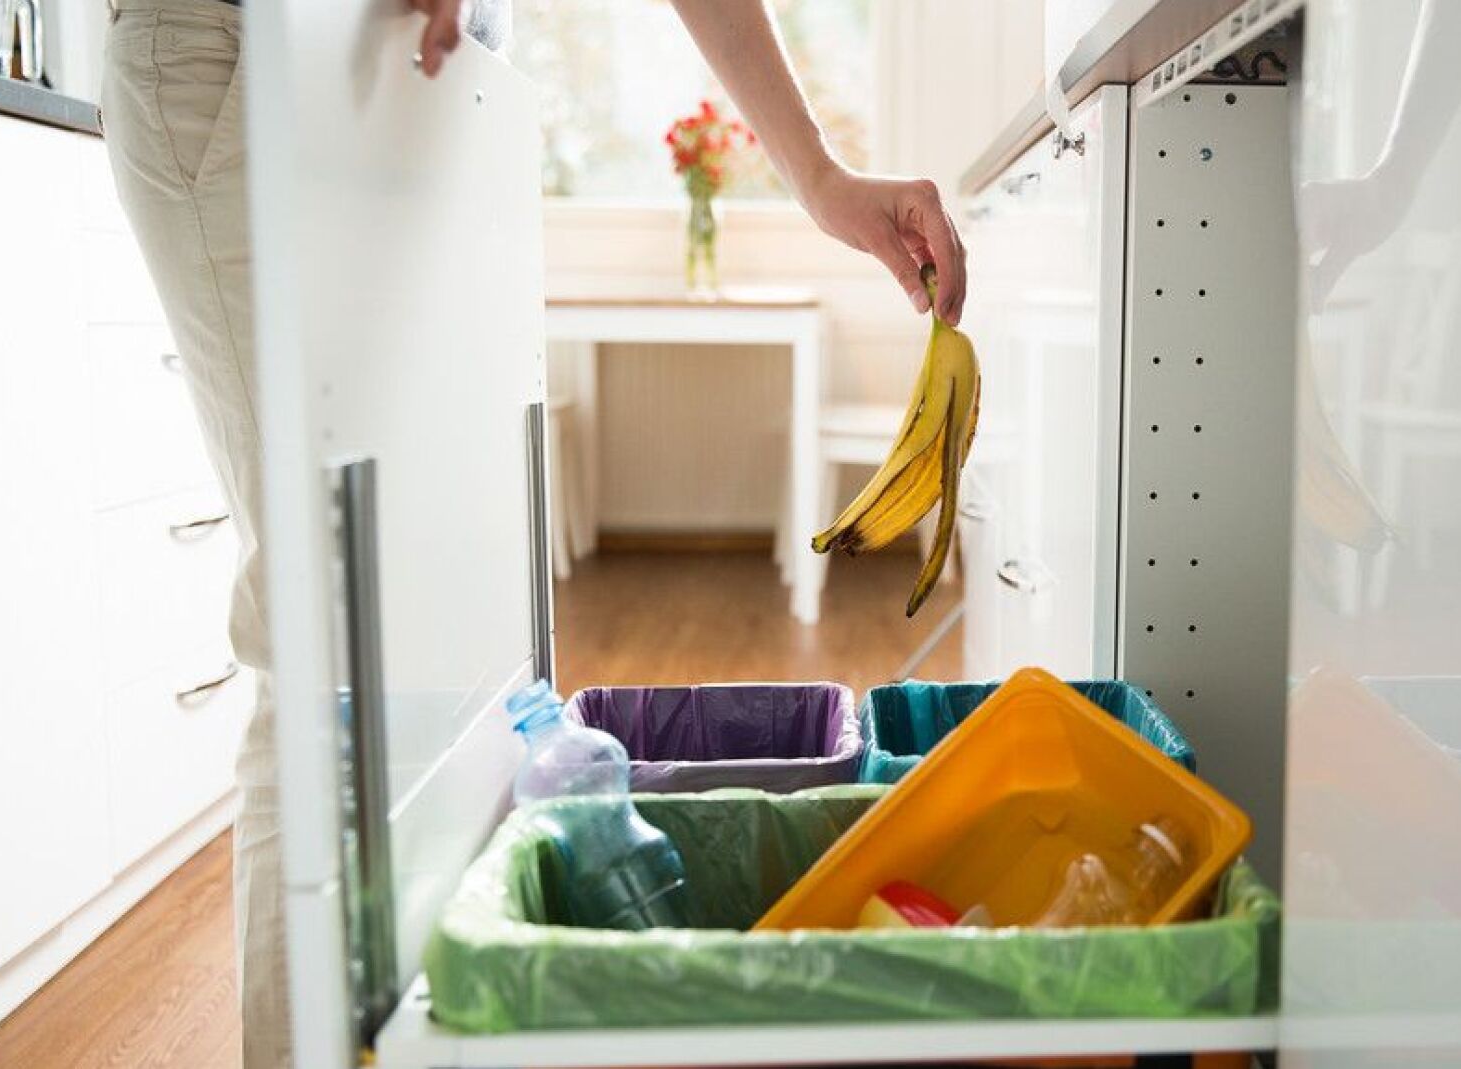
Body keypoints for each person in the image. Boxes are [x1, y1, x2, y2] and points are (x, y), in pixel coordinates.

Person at [101, 2, 969, 1066]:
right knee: (324, 638)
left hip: (439, 70)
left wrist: (820, 178)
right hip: (255, 49)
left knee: (453, 633)